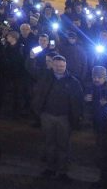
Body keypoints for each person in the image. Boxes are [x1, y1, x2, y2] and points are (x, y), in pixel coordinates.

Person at [31, 54, 83, 182]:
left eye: (62, 66)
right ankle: (51, 168)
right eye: (57, 65)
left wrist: (76, 119)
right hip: (47, 116)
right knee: (49, 143)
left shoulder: (73, 82)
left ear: (66, 66)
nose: (60, 68)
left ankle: (62, 171)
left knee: (63, 145)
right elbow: (34, 79)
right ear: (52, 65)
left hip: (64, 118)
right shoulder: (45, 77)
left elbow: (78, 101)